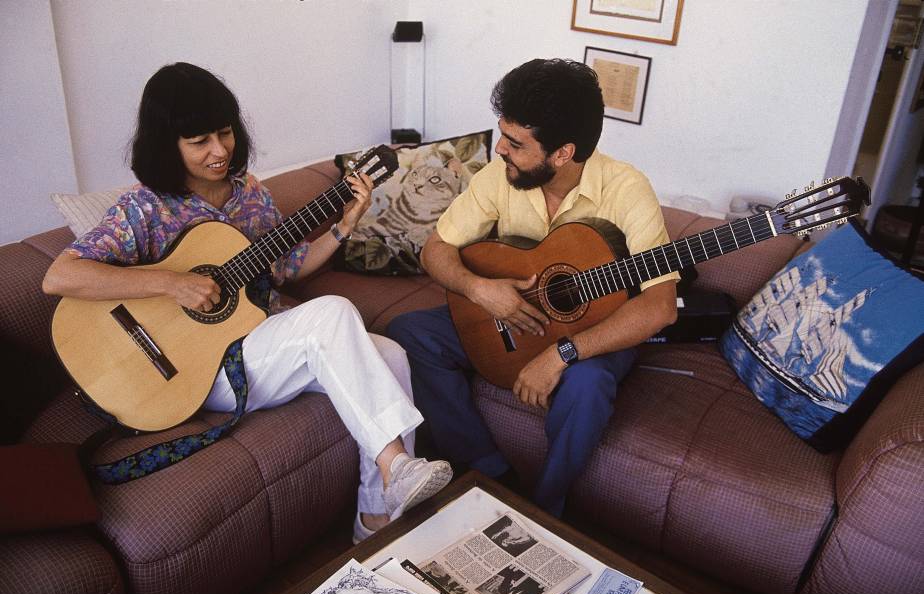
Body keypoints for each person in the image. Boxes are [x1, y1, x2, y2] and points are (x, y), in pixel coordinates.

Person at [41, 62, 451, 544]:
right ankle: (398, 466)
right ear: (166, 145)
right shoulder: (145, 206)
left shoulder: (248, 192)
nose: (219, 151)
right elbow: (59, 275)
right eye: (199, 142)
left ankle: (375, 522)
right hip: (197, 372)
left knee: (392, 355)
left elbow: (288, 267)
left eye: (224, 133)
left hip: (261, 346)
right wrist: (171, 284)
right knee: (334, 312)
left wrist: (345, 223)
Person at [387, 58, 678, 516]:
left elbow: (660, 307)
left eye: (516, 143)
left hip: (595, 327)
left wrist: (561, 354)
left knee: (587, 387)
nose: (499, 148)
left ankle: (545, 508)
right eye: (502, 133)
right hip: (507, 313)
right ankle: (486, 472)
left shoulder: (628, 189)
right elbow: (436, 249)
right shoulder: (498, 177)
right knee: (409, 333)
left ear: (563, 153)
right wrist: (481, 290)